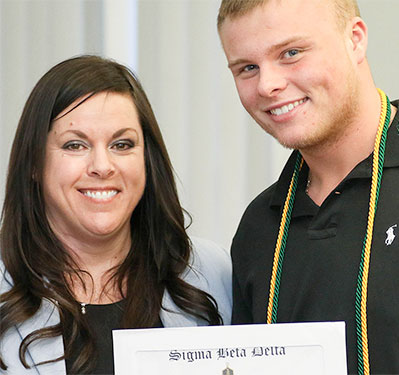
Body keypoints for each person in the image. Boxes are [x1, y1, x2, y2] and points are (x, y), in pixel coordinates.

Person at [0, 55, 232, 374]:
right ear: (35, 164)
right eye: (75, 145)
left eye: (122, 145)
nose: (102, 166)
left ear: (147, 160)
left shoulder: (214, 274)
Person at [217, 0, 399, 374]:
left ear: (355, 40)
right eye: (247, 68)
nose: (268, 84)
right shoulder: (260, 225)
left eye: (291, 53)